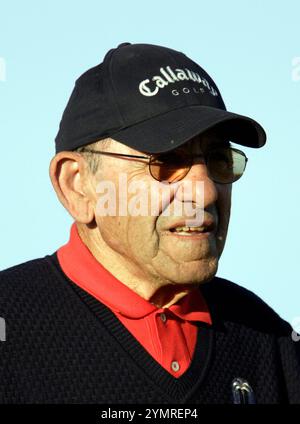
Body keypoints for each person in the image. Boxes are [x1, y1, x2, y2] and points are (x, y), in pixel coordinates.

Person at [0, 42, 299, 405]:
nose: (204, 191)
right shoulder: (11, 327)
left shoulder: (266, 336)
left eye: (219, 159)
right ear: (77, 185)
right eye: (166, 161)